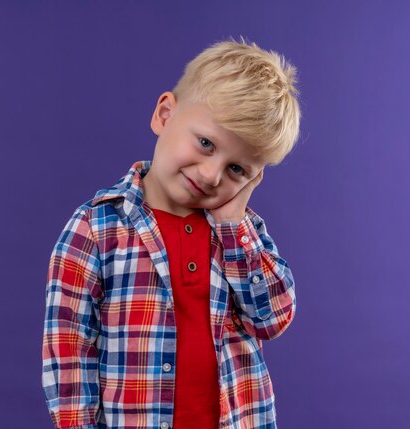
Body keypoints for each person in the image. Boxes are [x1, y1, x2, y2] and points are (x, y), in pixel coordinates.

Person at [42, 36, 301, 429]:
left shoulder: (240, 236)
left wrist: (233, 226)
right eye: (205, 143)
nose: (212, 175)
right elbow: (69, 354)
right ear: (165, 114)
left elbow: (272, 320)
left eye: (238, 170)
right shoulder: (95, 228)